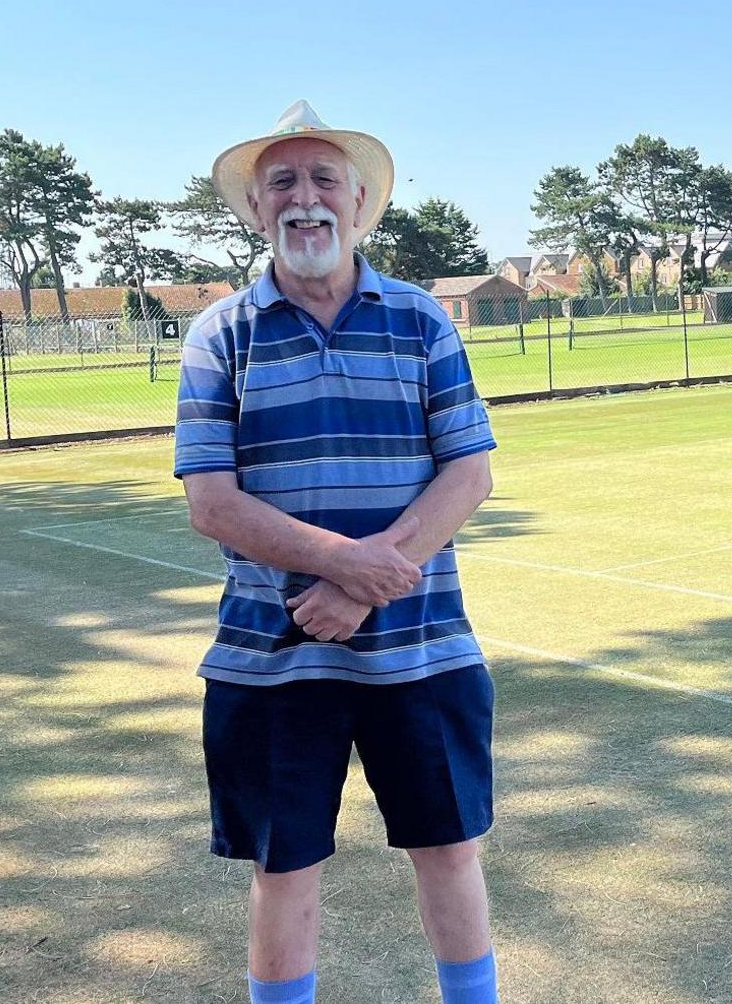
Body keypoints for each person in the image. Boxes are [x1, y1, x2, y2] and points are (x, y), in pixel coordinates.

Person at [175, 100, 499, 1004]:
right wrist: (347, 565)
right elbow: (211, 501)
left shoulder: (423, 320)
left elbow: (468, 473)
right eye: (282, 181)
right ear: (254, 207)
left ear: (359, 200)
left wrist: (360, 586)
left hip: (421, 645)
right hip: (272, 656)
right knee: (286, 864)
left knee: (448, 846)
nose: (304, 199)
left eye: (324, 180)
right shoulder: (220, 334)